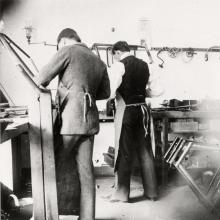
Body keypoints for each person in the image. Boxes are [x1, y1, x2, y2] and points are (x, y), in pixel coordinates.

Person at [36, 28, 110, 220]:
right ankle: (87, 218)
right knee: (86, 172)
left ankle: (48, 216)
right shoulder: (98, 60)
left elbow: (41, 79)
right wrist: (84, 91)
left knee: (51, 166)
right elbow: (105, 93)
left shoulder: (67, 51)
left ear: (62, 42)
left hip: (70, 120)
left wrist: (67, 91)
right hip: (90, 121)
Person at [108, 41, 163, 203]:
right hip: (143, 111)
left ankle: (122, 194)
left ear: (117, 52)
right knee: (145, 150)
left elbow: (110, 92)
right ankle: (152, 192)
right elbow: (159, 90)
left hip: (127, 111)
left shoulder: (118, 66)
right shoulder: (146, 65)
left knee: (124, 151)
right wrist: (142, 93)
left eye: (114, 55)